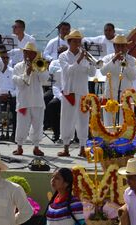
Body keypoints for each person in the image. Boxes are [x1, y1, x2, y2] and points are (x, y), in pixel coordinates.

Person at [58, 29, 97, 157]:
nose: (78, 43)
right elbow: (68, 71)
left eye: (79, 41)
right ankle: (66, 147)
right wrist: (79, 60)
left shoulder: (84, 55)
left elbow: (91, 73)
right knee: (67, 120)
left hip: (83, 92)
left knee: (83, 121)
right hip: (69, 92)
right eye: (75, 41)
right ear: (69, 42)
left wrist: (91, 63)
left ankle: (82, 148)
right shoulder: (63, 56)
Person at [12, 42, 48, 156]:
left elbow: (45, 79)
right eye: (26, 53)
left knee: (38, 125)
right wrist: (27, 72)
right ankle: (19, 146)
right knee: (22, 125)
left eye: (31, 53)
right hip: (24, 101)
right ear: (24, 53)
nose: (28, 55)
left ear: (34, 54)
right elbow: (18, 82)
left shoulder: (40, 65)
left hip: (37, 101)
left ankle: (36, 146)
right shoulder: (18, 67)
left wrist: (37, 69)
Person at [100, 34, 136, 126]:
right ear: (114, 46)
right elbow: (103, 71)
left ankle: (124, 139)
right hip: (111, 95)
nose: (120, 48)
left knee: (125, 122)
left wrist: (126, 64)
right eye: (118, 45)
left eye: (123, 45)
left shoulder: (132, 60)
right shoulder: (107, 58)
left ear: (126, 46)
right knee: (109, 122)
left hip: (125, 96)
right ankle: (111, 139)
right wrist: (113, 60)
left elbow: (133, 76)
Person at [44, 45, 68, 142]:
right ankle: (56, 132)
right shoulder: (54, 62)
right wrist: (61, 97)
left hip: (70, 92)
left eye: (63, 52)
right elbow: (54, 81)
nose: (61, 55)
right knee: (51, 105)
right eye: (59, 53)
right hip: (58, 91)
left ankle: (74, 134)